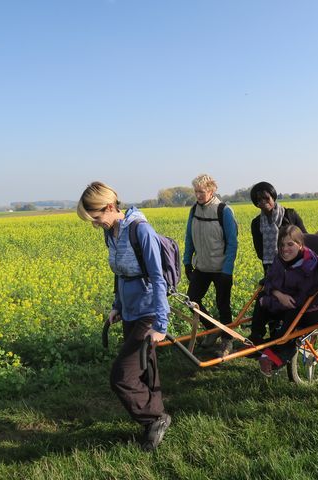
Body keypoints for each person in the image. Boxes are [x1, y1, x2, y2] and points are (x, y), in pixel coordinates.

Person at [77, 182, 171, 451]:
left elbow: (158, 277)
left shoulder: (140, 230)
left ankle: (154, 418)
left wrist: (160, 324)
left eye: (96, 217)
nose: (95, 224)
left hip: (149, 310)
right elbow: (119, 272)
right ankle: (156, 414)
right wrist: (117, 305)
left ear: (109, 207)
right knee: (145, 365)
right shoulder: (111, 232)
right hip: (130, 308)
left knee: (122, 376)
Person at [248, 225, 318, 376]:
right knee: (261, 298)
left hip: (304, 305)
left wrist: (272, 300)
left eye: (290, 244)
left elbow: (299, 300)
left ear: (300, 245)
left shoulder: (309, 266)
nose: (285, 249)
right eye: (282, 245)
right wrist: (277, 295)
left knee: (290, 313)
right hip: (283, 301)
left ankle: (277, 353)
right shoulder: (279, 260)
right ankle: (256, 338)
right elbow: (270, 281)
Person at [184, 174, 239, 357]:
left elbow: (232, 242)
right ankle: (212, 328)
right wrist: (187, 261)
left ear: (211, 190)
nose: (198, 195)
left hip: (221, 268)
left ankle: (227, 340)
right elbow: (189, 237)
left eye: (202, 191)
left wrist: (227, 270)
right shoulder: (194, 210)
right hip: (202, 267)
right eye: (196, 191)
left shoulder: (223, 210)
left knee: (223, 305)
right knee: (192, 300)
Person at [249, 181, 307, 274]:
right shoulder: (256, 223)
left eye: (266, 198)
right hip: (271, 268)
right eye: (259, 199)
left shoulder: (290, 215)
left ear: (273, 197)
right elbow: (260, 251)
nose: (263, 201)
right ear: (257, 203)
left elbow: (304, 238)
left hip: (296, 265)